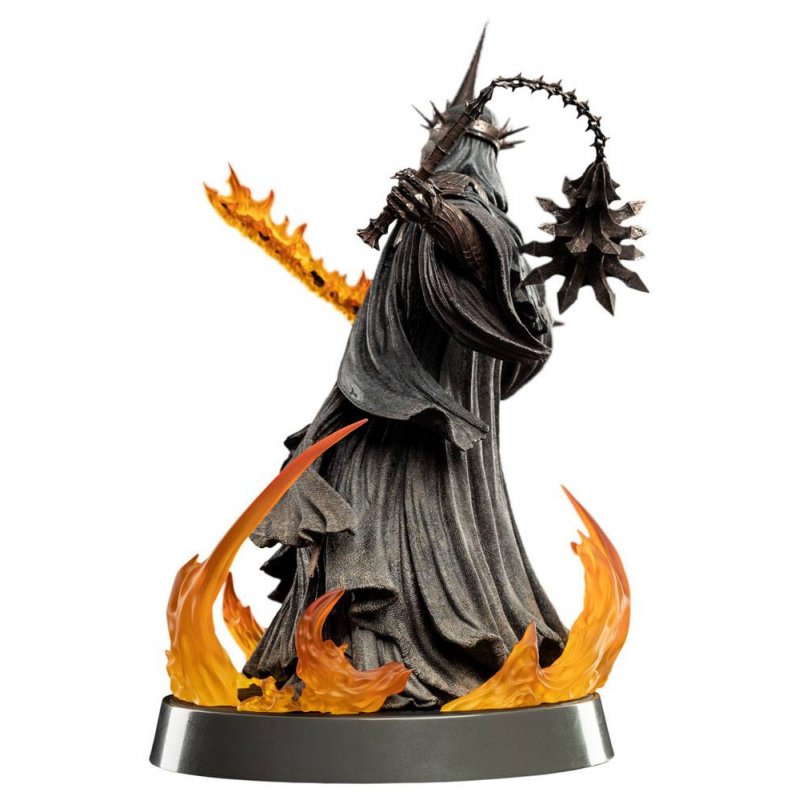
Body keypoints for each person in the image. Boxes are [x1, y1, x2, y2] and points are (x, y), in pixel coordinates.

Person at [243, 34, 568, 709]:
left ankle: (395, 676)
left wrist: (441, 218)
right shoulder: (425, 212)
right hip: (381, 404)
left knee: (366, 523)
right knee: (338, 504)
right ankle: (346, 673)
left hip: (425, 428)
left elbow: (486, 255)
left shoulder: (473, 209)